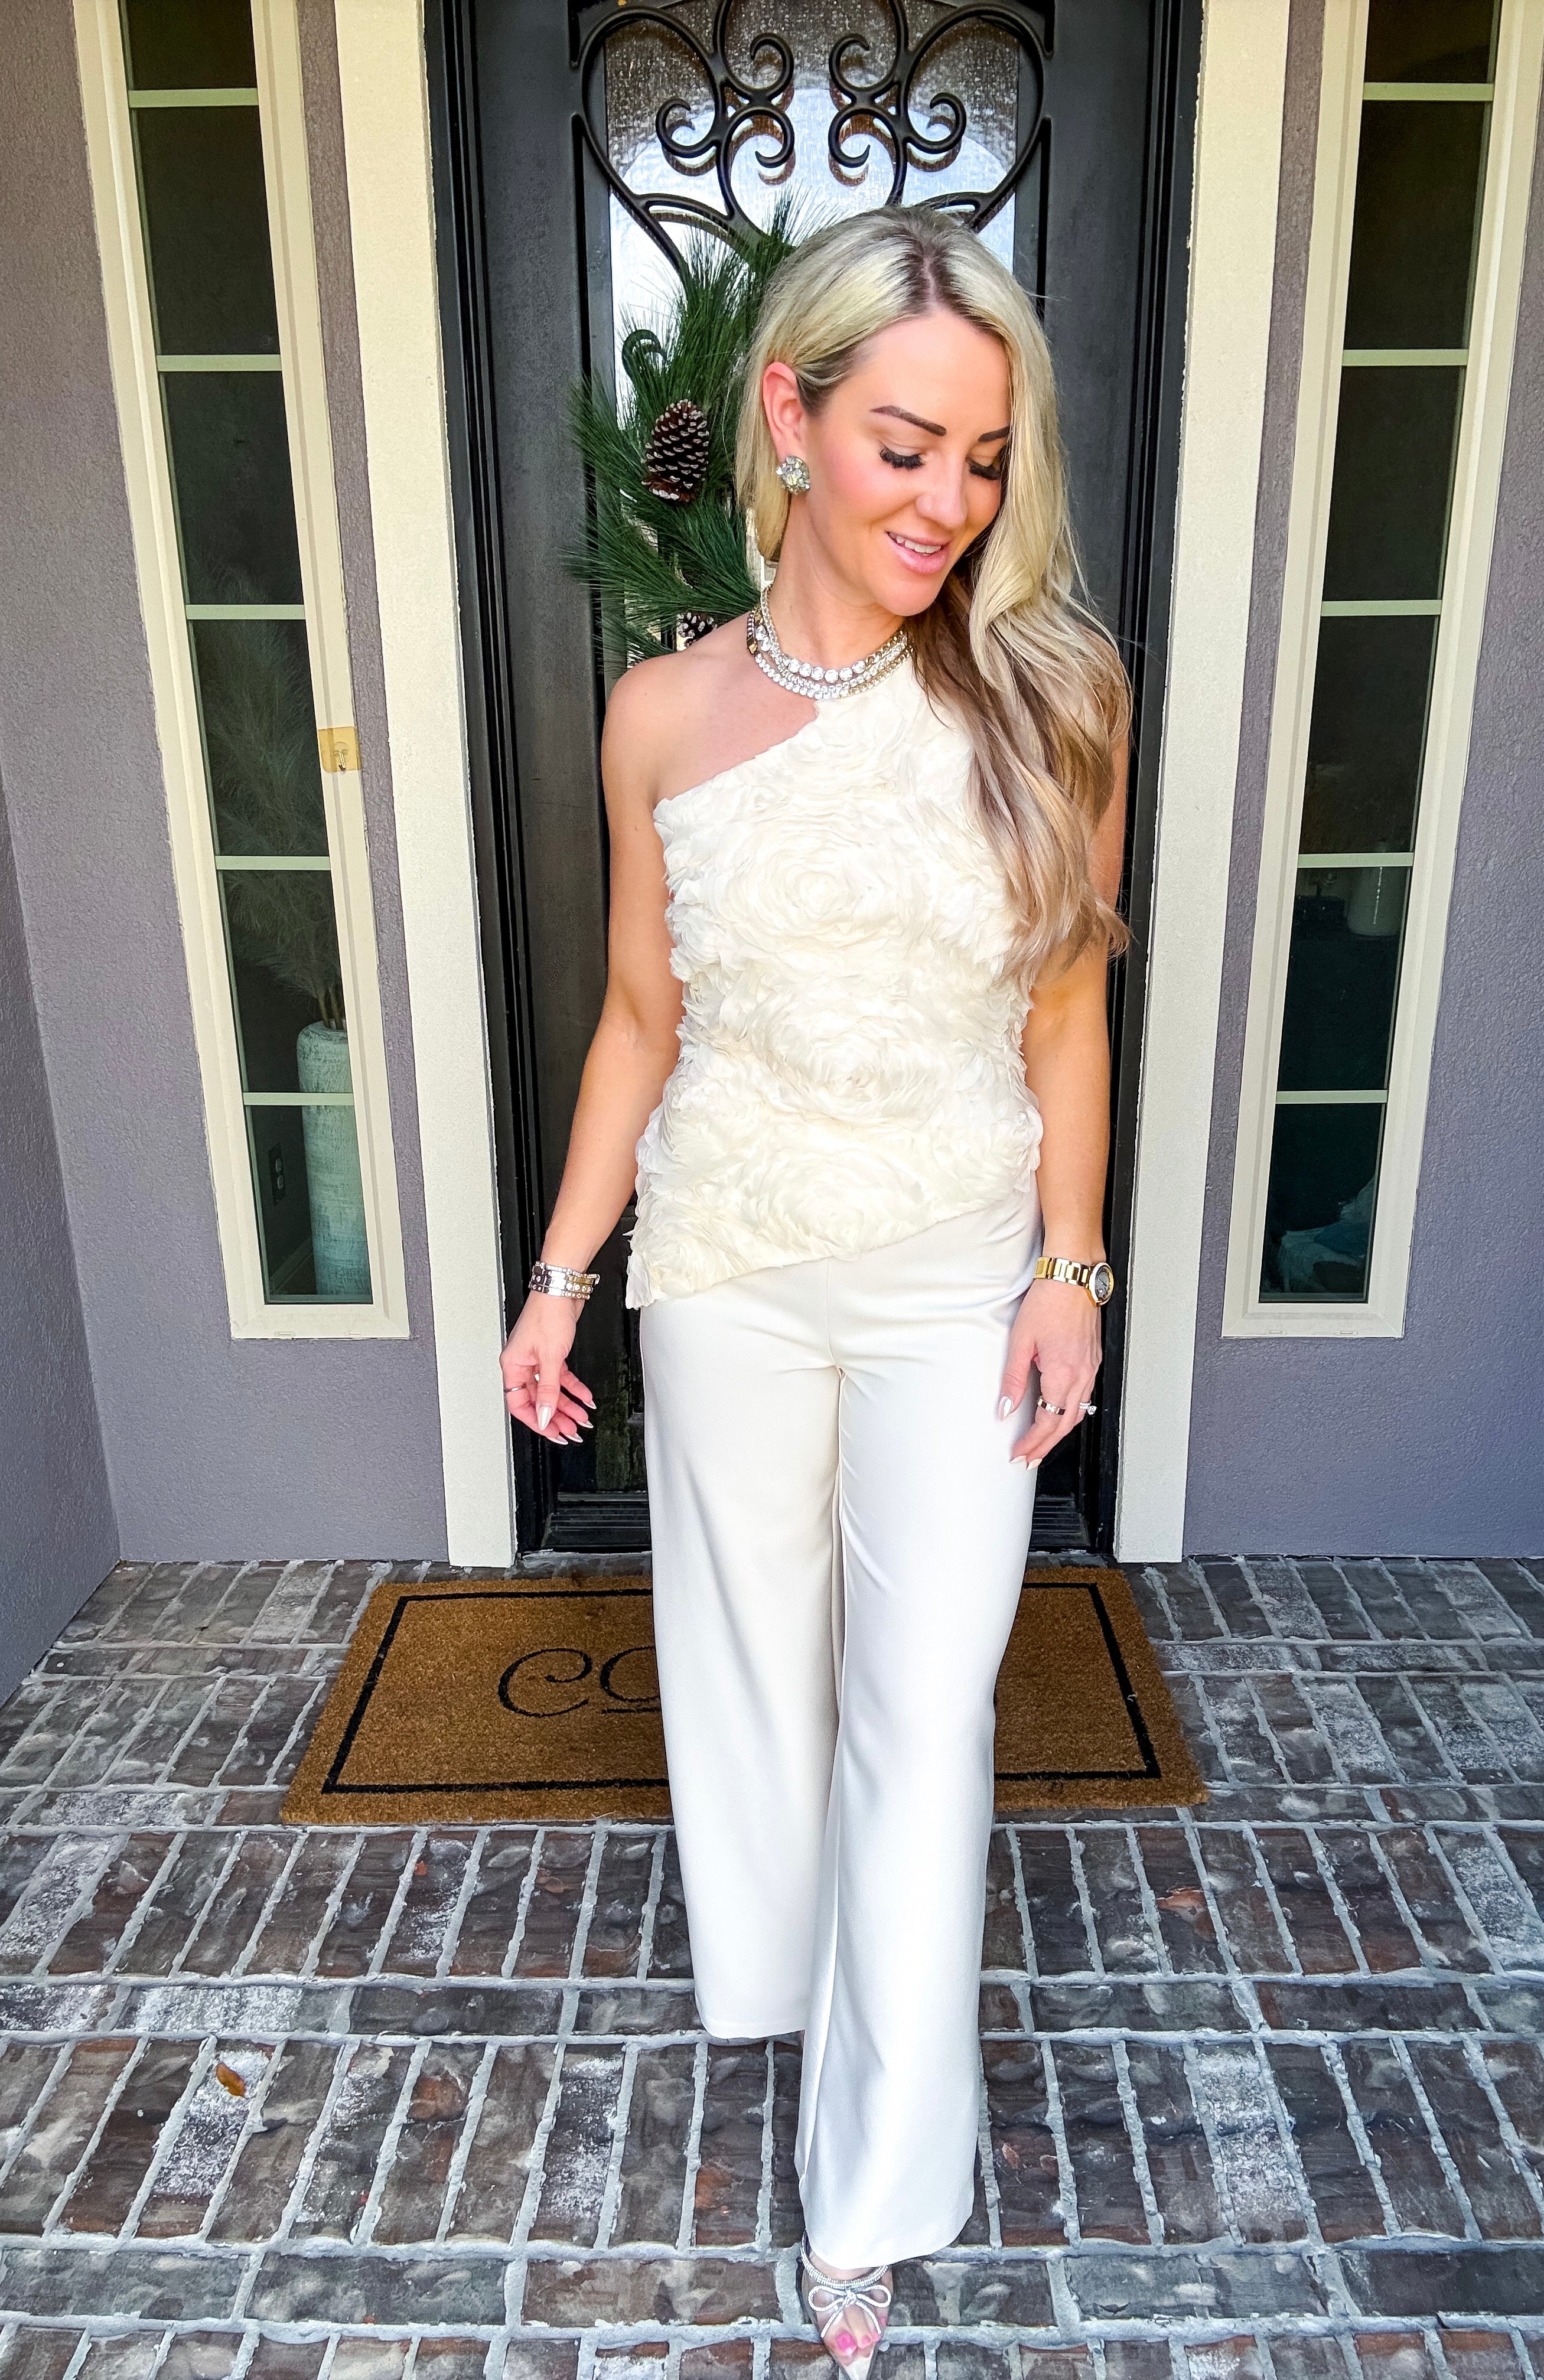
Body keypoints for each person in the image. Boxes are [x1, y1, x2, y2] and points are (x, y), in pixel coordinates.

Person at [500, 204, 1129, 2377]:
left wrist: (1070, 1267)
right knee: (753, 1672)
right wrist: (562, 1279)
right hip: (729, 1268)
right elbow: (637, 1021)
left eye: (983, 459)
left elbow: (1066, 1017)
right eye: (904, 447)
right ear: (788, 413)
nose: (948, 504)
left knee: (921, 1715)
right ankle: (781, 1988)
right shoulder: (658, 716)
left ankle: (868, 2195)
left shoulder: (1051, 695)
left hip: (958, 1275)